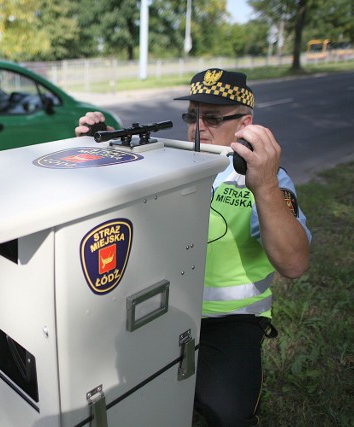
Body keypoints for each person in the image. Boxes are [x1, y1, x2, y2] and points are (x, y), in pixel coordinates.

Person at [75, 68, 311, 426]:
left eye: (212, 118)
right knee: (121, 390)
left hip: (229, 319)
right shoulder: (171, 161)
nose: (198, 127)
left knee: (224, 409)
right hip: (162, 306)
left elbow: (294, 264)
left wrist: (263, 187)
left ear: (246, 122)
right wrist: (98, 145)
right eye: (192, 116)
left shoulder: (268, 180)